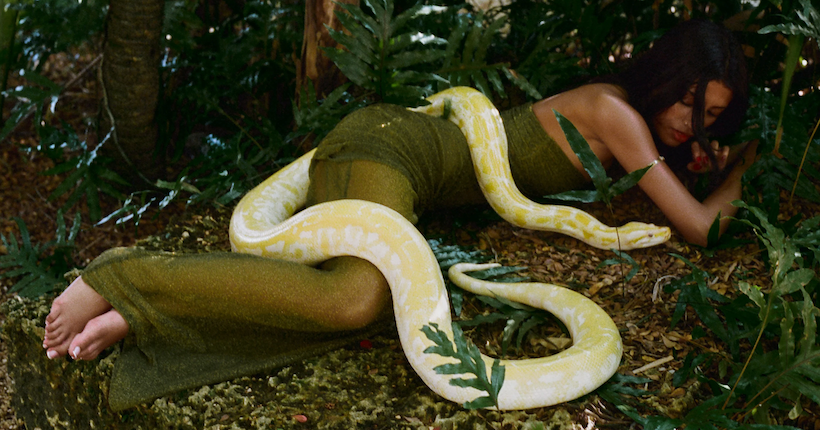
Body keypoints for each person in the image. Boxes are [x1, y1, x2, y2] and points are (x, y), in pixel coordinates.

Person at [42, 19, 756, 410]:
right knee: (357, 299)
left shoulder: (623, 118)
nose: (697, 130)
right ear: (669, 83)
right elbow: (702, 229)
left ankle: (146, 311)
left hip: (404, 169)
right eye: (697, 110)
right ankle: (126, 273)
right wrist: (751, 167)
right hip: (392, 147)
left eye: (716, 122)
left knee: (384, 316)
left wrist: (702, 159)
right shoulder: (617, 114)